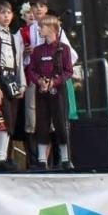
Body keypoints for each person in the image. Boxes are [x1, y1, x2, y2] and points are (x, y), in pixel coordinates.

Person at [26, 16, 75, 171]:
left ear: (52, 29)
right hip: (41, 91)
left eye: (42, 27)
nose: (39, 29)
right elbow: (31, 70)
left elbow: (68, 71)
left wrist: (55, 82)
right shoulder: (37, 50)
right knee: (42, 123)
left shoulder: (63, 49)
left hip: (58, 91)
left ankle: (66, 159)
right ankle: (42, 160)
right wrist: (40, 81)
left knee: (61, 123)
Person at [0, 1, 24, 170]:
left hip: (12, 80)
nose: (6, 16)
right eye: (2, 13)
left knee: (11, 119)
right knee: (3, 118)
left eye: (9, 13)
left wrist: (22, 84)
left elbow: (19, 63)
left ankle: (4, 156)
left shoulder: (15, 38)